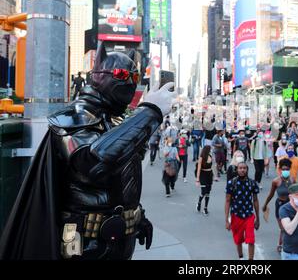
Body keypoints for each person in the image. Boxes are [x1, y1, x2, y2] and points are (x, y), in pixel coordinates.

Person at [0, 42, 176, 259]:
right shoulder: (74, 116)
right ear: (98, 74)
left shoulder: (119, 120)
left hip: (121, 239)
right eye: (121, 74)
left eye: (135, 76)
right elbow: (95, 163)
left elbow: (121, 177)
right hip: (84, 244)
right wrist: (150, 112)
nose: (129, 81)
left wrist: (137, 217)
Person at [225, 163, 260, 260]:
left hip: (249, 215)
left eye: (244, 168)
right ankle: (241, 257)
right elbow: (227, 201)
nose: (242, 170)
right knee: (238, 240)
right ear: (237, 170)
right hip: (236, 216)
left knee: (251, 240)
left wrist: (258, 219)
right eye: (240, 168)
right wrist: (227, 220)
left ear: (247, 170)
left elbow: (255, 200)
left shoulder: (252, 183)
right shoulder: (232, 183)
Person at [262, 158, 296, 253]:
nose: (285, 171)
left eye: (287, 169)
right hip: (280, 206)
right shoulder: (276, 181)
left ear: (290, 169)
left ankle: (284, 243)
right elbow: (271, 194)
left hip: (290, 205)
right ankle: (281, 244)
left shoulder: (293, 180)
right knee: (283, 228)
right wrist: (265, 204)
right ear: (280, 169)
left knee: (290, 227)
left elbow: (296, 194)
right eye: (283, 169)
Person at [196, 146, 214, 216]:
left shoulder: (210, 156)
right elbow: (199, 168)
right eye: (210, 149)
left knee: (208, 192)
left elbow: (212, 166)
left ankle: (205, 208)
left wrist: (215, 176)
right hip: (203, 175)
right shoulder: (201, 157)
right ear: (207, 150)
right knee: (203, 191)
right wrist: (197, 179)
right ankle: (199, 202)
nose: (211, 150)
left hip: (209, 175)